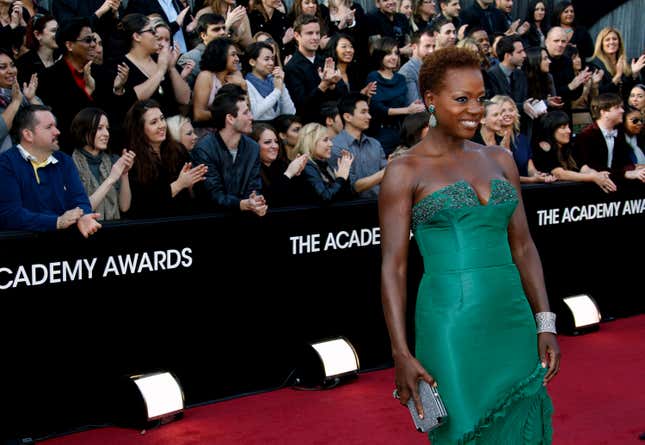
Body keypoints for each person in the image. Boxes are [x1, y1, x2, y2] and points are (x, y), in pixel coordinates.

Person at [379, 47, 559, 444]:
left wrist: (544, 321)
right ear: (430, 100)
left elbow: (524, 246)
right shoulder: (404, 169)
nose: (475, 109)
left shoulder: (499, 158)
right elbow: (394, 266)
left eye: (480, 98)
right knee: (466, 430)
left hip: (512, 318)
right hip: (450, 325)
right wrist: (400, 352)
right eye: (461, 99)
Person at [0, 104, 102, 236]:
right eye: (49, 127)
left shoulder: (64, 161)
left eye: (55, 125)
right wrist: (56, 222)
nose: (57, 132)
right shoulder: (6, 164)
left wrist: (84, 216)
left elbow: (79, 199)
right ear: (28, 134)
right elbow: (10, 214)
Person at [124, 99, 207, 218]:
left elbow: (194, 195)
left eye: (162, 119)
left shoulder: (178, 150)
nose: (162, 125)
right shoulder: (133, 160)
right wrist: (179, 184)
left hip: (183, 219)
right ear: (140, 129)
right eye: (154, 122)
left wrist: (191, 186)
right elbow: (144, 205)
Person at [191, 91, 268, 215]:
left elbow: (254, 186)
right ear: (230, 119)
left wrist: (255, 200)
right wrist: (242, 204)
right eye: (245, 112)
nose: (251, 117)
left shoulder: (252, 147)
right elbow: (213, 195)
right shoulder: (204, 149)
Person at [70, 107, 135, 221]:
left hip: (113, 230)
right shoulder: (70, 164)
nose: (106, 133)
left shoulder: (113, 160)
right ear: (84, 130)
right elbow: (82, 210)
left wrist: (124, 174)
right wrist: (111, 178)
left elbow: (124, 207)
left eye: (107, 128)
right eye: (100, 128)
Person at [532, 110, 618, 192]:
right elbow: (559, 174)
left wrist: (597, 175)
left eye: (568, 127)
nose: (569, 131)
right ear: (551, 130)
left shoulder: (570, 148)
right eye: (563, 128)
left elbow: (583, 168)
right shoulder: (543, 146)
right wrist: (592, 178)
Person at [366, 37, 425, 155]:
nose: (394, 57)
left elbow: (405, 104)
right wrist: (407, 110)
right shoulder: (373, 76)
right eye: (388, 53)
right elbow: (378, 108)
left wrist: (414, 106)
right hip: (380, 133)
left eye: (396, 53)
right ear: (380, 55)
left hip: (399, 133)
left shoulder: (401, 79)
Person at [574, 93, 645, 188]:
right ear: (604, 112)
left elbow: (623, 161)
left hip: (618, 186)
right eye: (617, 108)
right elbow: (594, 168)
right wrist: (626, 173)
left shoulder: (619, 131)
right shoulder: (586, 135)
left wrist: (635, 168)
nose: (622, 111)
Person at [331, 92, 387, 199]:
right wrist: (386, 172)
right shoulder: (335, 146)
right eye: (363, 112)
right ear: (347, 117)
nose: (369, 116)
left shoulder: (375, 144)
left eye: (368, 112)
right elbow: (352, 187)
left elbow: (388, 177)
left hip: (379, 203)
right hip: (351, 208)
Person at [251, 122, 308, 206]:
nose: (274, 146)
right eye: (267, 142)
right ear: (253, 145)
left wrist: (298, 173)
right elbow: (269, 201)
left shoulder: (283, 165)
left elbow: (303, 197)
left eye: (276, 141)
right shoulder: (249, 171)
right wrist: (288, 174)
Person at [295, 122, 354, 203]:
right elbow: (325, 198)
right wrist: (341, 179)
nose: (331, 144)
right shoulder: (306, 166)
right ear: (311, 142)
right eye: (325, 140)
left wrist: (345, 174)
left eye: (329, 139)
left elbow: (347, 197)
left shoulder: (323, 164)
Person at [0, 48, 40, 153]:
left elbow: (50, 122)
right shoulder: (17, 97)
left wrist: (31, 99)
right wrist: (15, 102)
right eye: (2, 67)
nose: (11, 71)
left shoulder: (22, 93)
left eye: (12, 65)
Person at [587, 27, 645, 99]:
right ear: (601, 44)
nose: (611, 42)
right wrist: (618, 76)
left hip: (624, 106)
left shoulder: (625, 63)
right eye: (607, 40)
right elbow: (600, 94)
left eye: (614, 39)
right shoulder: (594, 64)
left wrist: (634, 74)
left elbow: (632, 92)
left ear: (619, 42)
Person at [245, 41, 296, 120]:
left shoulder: (274, 80)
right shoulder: (246, 84)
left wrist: (281, 85)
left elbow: (290, 112)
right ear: (252, 62)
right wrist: (277, 91)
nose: (271, 63)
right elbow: (254, 114)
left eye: (272, 59)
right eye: (266, 59)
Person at [177, 13, 228, 88]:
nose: (223, 32)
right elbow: (183, 92)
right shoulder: (191, 58)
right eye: (216, 29)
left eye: (224, 28)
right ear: (203, 35)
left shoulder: (229, 53)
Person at [398, 29, 434, 104]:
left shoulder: (433, 67)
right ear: (414, 47)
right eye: (427, 46)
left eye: (434, 46)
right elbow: (415, 106)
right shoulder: (408, 71)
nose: (432, 51)